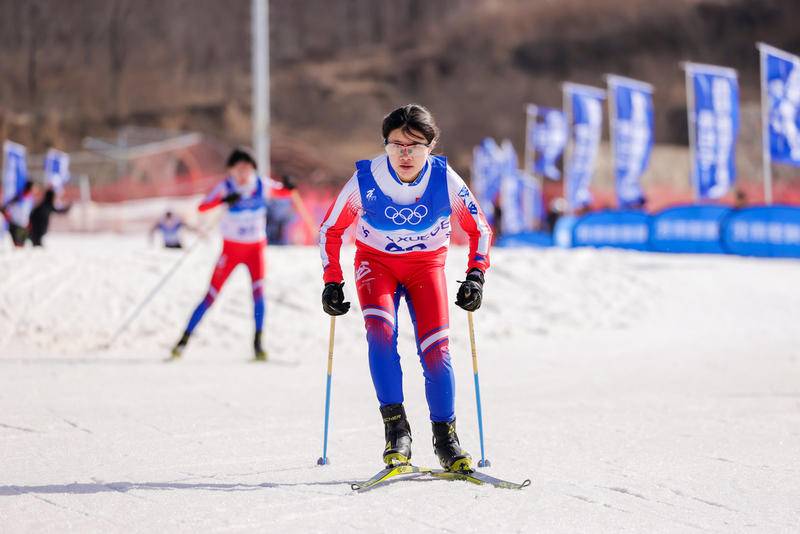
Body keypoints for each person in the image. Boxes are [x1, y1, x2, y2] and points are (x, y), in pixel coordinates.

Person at [318, 104, 493, 472]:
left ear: (431, 146)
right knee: (380, 333)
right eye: (396, 144)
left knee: (436, 350)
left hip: (426, 267)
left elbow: (481, 230)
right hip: (376, 264)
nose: (405, 154)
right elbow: (330, 231)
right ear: (385, 145)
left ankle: (447, 439)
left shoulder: (445, 179)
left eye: (415, 145)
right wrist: (332, 280)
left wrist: (475, 275)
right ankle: (396, 433)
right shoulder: (366, 179)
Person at [170, 148, 269, 361]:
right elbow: (203, 207)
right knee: (211, 294)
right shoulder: (225, 187)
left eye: (247, 168)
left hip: (255, 250)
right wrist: (223, 201)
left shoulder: (261, 185)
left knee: (259, 295)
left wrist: (289, 186)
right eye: (238, 168)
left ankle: (258, 345)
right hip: (232, 250)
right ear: (231, 170)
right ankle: (183, 341)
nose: (242, 173)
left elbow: (285, 191)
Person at [2, 180, 35, 247]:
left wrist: (29, 222)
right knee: (17, 245)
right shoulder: (20, 196)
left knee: (21, 245)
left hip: (24, 224)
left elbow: (28, 212)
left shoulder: (30, 198)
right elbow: (7, 206)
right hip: (16, 224)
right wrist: (8, 216)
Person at [265, 174, 297, 244]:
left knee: (281, 229)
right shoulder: (277, 187)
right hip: (274, 215)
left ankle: (280, 241)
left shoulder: (290, 192)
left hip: (281, 217)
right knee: (273, 228)